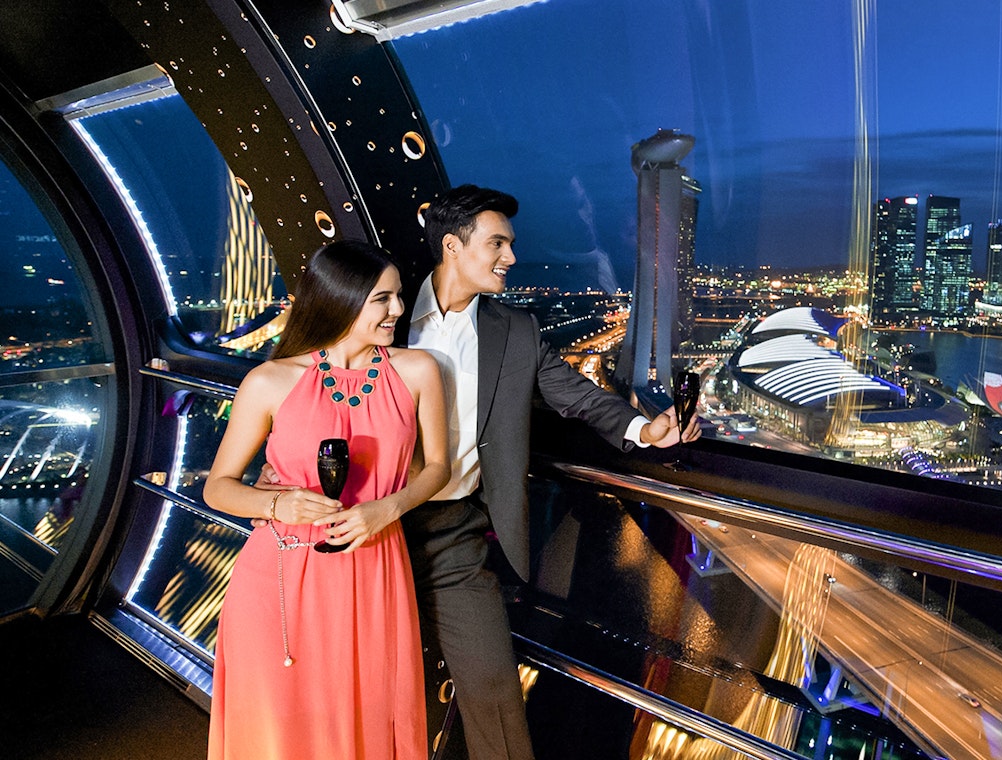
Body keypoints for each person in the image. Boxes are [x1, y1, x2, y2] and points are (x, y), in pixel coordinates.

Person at [261, 185, 700, 760]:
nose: (510, 258)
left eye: (510, 245)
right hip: (359, 536)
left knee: (494, 689)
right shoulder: (379, 312)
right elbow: (305, 382)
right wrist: (277, 475)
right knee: (368, 693)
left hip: (453, 536)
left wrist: (646, 430)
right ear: (452, 246)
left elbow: (575, 396)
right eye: (498, 243)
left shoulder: (517, 332)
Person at [203, 240, 449, 759]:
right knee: (284, 723)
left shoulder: (418, 370)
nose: (399, 311)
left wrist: (389, 507)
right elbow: (218, 486)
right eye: (382, 299)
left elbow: (437, 468)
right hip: (281, 575)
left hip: (376, 562)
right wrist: (277, 505)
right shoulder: (270, 381)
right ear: (341, 298)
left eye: (398, 296)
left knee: (367, 712)